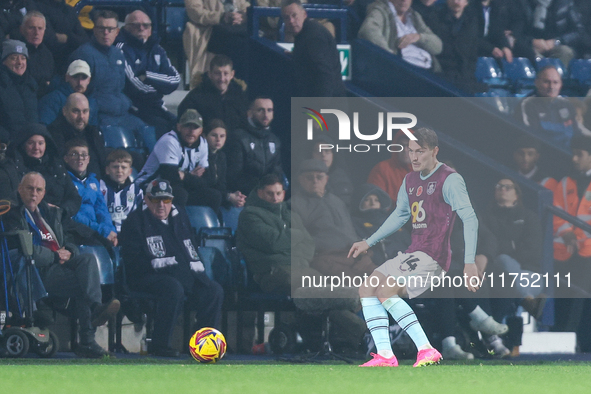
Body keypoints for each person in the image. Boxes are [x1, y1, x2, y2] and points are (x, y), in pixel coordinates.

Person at [348, 127, 479, 367]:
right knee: (367, 289)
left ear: (434, 151)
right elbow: (399, 216)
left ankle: (427, 349)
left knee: (386, 291)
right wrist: (368, 242)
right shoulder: (410, 179)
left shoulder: (449, 179)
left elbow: (470, 218)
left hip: (434, 254)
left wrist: (469, 262)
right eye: (410, 152)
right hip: (414, 251)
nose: (414, 157)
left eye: (421, 151)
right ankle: (385, 356)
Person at [3, 172, 120, 358]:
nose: (34, 193)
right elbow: (21, 249)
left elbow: (68, 237)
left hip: (57, 265)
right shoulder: (11, 213)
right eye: (29, 188)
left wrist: (70, 251)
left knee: (87, 260)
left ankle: (95, 308)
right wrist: (54, 256)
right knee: (85, 283)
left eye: (38, 190)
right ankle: (89, 336)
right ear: (19, 189)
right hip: (33, 271)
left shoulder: (50, 212)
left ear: (43, 193)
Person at [119, 178, 224, 357]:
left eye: (166, 200)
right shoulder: (135, 221)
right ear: (146, 200)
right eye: (156, 200)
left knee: (214, 290)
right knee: (173, 288)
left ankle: (204, 345)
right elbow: (134, 261)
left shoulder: (180, 217)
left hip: (180, 273)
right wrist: (175, 271)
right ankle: (160, 344)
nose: (161, 205)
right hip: (146, 275)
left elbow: (189, 249)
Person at [68, 10, 155, 151]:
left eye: (110, 29)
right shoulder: (83, 54)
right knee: (127, 152)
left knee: (148, 132)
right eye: (101, 28)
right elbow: (78, 90)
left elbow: (122, 86)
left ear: (117, 31)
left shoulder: (118, 53)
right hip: (102, 117)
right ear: (94, 30)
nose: (106, 33)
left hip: (123, 113)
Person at [291, 159, 377, 278]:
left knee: (388, 283)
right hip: (326, 258)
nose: (315, 181)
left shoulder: (337, 201)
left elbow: (351, 233)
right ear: (300, 180)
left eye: (319, 177)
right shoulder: (295, 205)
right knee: (357, 288)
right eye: (309, 177)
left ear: (326, 179)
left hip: (355, 256)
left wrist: (364, 256)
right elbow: (300, 241)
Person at [136, 109, 221, 210]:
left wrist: (184, 176)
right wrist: (191, 177)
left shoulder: (202, 143)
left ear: (201, 130)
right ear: (179, 127)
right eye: (187, 126)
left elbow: (208, 179)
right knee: (180, 194)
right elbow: (169, 177)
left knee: (214, 196)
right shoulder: (169, 141)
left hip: (182, 185)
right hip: (149, 185)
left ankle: (208, 224)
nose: (191, 131)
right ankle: (177, 224)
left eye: (195, 127)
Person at [483, 178, 545, 317]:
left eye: (507, 187)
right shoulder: (486, 218)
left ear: (517, 194)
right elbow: (487, 246)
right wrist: (512, 247)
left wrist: (506, 249)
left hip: (529, 274)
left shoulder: (530, 218)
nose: (502, 189)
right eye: (499, 186)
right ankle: (527, 301)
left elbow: (533, 250)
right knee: (503, 261)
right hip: (497, 276)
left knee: (505, 261)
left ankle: (524, 299)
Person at [116, 10, 180, 140]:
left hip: (156, 106)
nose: (141, 28)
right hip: (134, 107)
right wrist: (160, 88)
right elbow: (134, 86)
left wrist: (148, 76)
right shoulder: (121, 49)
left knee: (182, 126)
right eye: (135, 25)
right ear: (126, 28)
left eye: (146, 25)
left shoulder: (157, 49)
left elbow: (175, 80)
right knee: (162, 129)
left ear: (150, 29)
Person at [7, 123, 81, 218]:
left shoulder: (57, 166)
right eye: (31, 143)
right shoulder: (14, 167)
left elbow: (74, 197)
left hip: (59, 219)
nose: (36, 147)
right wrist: (44, 209)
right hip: (27, 220)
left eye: (40, 143)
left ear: (47, 144)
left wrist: (62, 211)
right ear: (23, 144)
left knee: (92, 233)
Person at [281, 0, 346, 97]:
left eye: (294, 15)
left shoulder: (313, 37)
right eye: (287, 18)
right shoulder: (306, 33)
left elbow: (325, 75)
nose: (291, 21)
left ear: (304, 14)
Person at [358, 0, 442, 72]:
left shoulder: (414, 16)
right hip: (403, 71)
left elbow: (438, 47)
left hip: (430, 71)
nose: (404, 0)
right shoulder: (380, 9)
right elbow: (368, 30)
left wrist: (418, 37)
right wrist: (391, 57)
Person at [183, 0, 249, 89]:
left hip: (237, 29)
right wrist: (221, 17)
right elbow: (195, 11)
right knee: (235, 42)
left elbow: (245, 5)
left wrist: (243, 16)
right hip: (210, 28)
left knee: (253, 42)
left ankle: (243, 88)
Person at [63, 139, 117, 246]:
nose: (80, 158)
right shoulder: (63, 181)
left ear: (88, 159)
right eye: (74, 154)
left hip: (97, 230)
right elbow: (73, 214)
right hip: (77, 231)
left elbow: (101, 209)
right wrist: (102, 230)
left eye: (84, 155)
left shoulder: (93, 181)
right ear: (66, 158)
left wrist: (110, 230)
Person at [225, 97, 283, 196]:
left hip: (269, 196)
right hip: (245, 197)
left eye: (269, 110)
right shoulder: (238, 138)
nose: (266, 115)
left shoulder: (275, 140)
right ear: (250, 113)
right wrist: (260, 190)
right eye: (260, 110)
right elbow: (234, 177)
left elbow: (277, 173)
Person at [177, 54, 248, 134]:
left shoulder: (240, 96)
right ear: (210, 74)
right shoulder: (195, 97)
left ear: (232, 74)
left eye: (226, 73)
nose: (222, 79)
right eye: (217, 73)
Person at [514, 65, 579, 148]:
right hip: (544, 155)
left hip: (569, 154)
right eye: (546, 82)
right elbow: (531, 138)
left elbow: (576, 133)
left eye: (555, 82)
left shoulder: (567, 104)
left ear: (561, 84)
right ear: (536, 83)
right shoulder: (527, 104)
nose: (551, 87)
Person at [48, 93, 106, 177]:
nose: (81, 116)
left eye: (85, 111)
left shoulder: (93, 132)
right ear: (64, 111)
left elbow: (103, 162)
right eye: (76, 111)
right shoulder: (54, 133)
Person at [431, 0, 482, 93]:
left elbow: (473, 53)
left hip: (464, 77)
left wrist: (468, 74)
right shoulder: (436, 18)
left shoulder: (472, 22)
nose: (456, 1)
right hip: (441, 76)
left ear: (466, 2)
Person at [203, 119, 246, 228]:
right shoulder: (200, 155)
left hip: (217, 196)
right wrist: (228, 196)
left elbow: (221, 184)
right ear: (205, 136)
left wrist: (234, 196)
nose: (218, 139)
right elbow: (206, 185)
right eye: (214, 135)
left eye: (222, 136)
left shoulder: (221, 156)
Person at [38, 59, 99, 126]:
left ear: (89, 80)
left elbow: (93, 129)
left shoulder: (93, 102)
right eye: (75, 77)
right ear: (67, 77)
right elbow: (43, 127)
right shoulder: (52, 99)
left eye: (83, 78)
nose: (79, 82)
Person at [35, 0, 89, 74]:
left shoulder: (69, 10)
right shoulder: (38, 7)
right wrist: (73, 40)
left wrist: (67, 38)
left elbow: (84, 39)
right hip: (49, 61)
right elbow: (49, 38)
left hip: (71, 60)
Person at [0, 39, 38, 143]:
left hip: (28, 145)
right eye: (13, 58)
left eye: (23, 58)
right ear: (3, 61)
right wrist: (8, 139)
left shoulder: (31, 85)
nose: (20, 62)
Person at [99, 149, 143, 233]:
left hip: (128, 235)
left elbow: (139, 217)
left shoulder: (137, 192)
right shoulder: (98, 187)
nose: (119, 171)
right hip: (104, 234)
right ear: (107, 170)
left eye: (123, 167)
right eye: (115, 167)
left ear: (130, 171)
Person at [367, 130, 412, 205]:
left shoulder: (425, 172)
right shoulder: (382, 169)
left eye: (409, 146)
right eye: (401, 146)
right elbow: (374, 205)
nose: (405, 150)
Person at [309, 134, 353, 207]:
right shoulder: (305, 178)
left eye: (327, 151)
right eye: (318, 151)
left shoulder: (342, 177)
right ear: (311, 154)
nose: (323, 155)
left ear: (333, 154)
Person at [16, 11, 54, 96]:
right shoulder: (15, 53)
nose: (36, 32)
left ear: (44, 31)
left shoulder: (47, 54)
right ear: (22, 30)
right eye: (31, 28)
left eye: (40, 28)